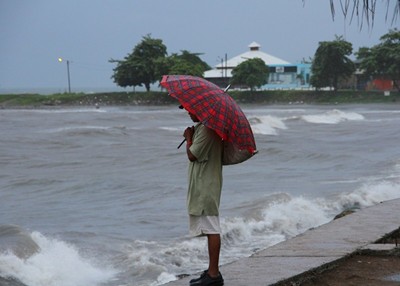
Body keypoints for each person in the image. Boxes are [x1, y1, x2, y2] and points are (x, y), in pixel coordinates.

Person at [182, 109, 224, 286]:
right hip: (204, 183)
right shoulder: (203, 127)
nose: (188, 112)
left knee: (211, 228)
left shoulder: (207, 129)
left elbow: (192, 155)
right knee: (208, 228)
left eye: (191, 110)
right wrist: (192, 134)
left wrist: (189, 137)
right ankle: (211, 271)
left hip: (206, 185)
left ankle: (214, 275)